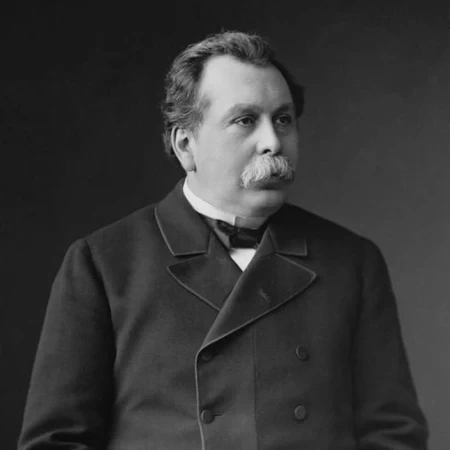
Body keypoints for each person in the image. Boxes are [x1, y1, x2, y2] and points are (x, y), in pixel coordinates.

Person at [18, 31, 428, 450]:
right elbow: (56, 441)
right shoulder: (102, 263)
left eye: (283, 119)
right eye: (245, 120)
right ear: (185, 145)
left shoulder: (353, 262)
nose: (273, 142)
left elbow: (393, 434)